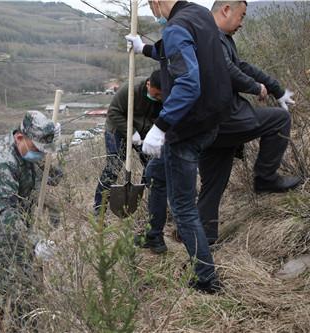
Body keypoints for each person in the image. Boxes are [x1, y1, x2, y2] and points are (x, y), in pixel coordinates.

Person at [126, 0, 232, 293]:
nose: (153, 12)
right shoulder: (198, 14)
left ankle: (206, 279)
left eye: (150, 5)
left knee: (184, 208)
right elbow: (173, 50)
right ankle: (154, 234)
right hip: (211, 122)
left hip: (186, 130)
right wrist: (144, 48)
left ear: (157, 1)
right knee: (157, 174)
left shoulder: (175, 26)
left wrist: (160, 127)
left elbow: (187, 81)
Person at [197, 1, 301, 245]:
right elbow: (226, 69)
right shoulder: (209, 36)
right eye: (241, 16)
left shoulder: (218, 37)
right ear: (225, 10)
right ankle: (265, 178)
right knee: (279, 119)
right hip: (225, 118)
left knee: (213, 185)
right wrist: (255, 87)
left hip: (208, 127)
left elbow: (240, 65)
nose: (242, 23)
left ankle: (204, 244)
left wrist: (276, 89)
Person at [0, 110, 59, 332]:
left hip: (14, 223)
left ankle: (26, 325)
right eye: (38, 150)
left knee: (30, 274)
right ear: (20, 137)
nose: (40, 155)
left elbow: (50, 175)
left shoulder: (27, 149)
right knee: (8, 279)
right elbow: (6, 214)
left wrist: (55, 157)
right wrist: (34, 241)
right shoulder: (4, 162)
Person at [93, 70, 163, 214]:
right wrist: (130, 132)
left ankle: (147, 205)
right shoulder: (131, 89)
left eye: (161, 96)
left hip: (145, 131)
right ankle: (99, 208)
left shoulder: (166, 95)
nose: (158, 98)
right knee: (114, 166)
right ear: (149, 84)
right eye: (156, 94)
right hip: (118, 128)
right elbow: (113, 112)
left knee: (152, 164)